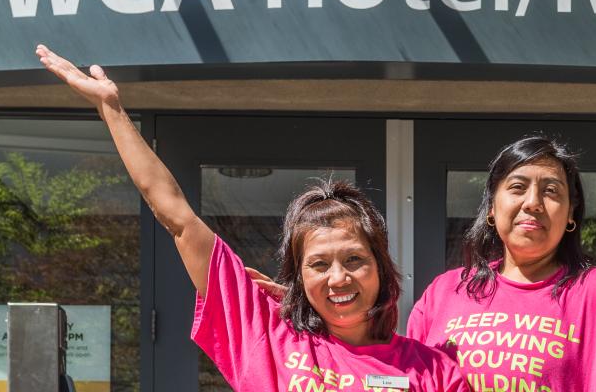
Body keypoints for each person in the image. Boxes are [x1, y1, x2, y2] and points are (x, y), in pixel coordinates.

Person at [38, 44, 464, 392]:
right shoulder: (266, 333)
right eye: (319, 264)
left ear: (380, 268)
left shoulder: (433, 371)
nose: (339, 278)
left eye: (354, 259)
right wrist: (111, 109)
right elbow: (178, 218)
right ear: (298, 278)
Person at [253, 136, 596, 391]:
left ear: (571, 216)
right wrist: (308, 308)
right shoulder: (446, 293)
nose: (533, 203)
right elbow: (383, 365)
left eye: (552, 191)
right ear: (492, 208)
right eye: (518, 188)